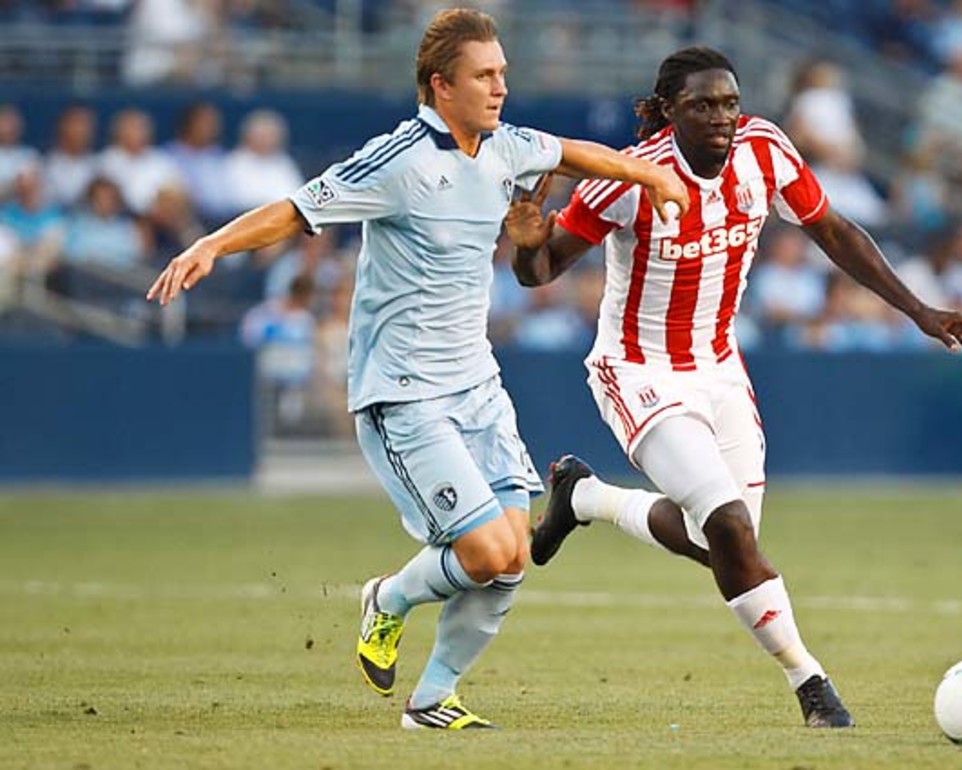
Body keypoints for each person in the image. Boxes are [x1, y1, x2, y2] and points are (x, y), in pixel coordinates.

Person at [147, 8, 688, 730]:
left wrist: (649, 174)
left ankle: (432, 699)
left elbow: (572, 152)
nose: (500, 87)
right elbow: (296, 210)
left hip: (477, 383)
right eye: (484, 76)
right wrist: (214, 243)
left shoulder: (505, 147)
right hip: (403, 393)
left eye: (502, 73)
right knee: (487, 548)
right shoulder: (398, 161)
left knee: (516, 555)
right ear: (441, 86)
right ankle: (389, 599)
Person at [505, 46, 962, 728]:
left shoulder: (765, 151)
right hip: (640, 371)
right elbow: (541, 272)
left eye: (730, 103)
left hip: (719, 369)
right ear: (668, 112)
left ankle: (582, 496)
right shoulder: (626, 180)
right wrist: (527, 245)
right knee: (731, 528)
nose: (722, 118)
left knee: (721, 546)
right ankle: (811, 682)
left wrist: (918, 309)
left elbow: (830, 227)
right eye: (704, 105)